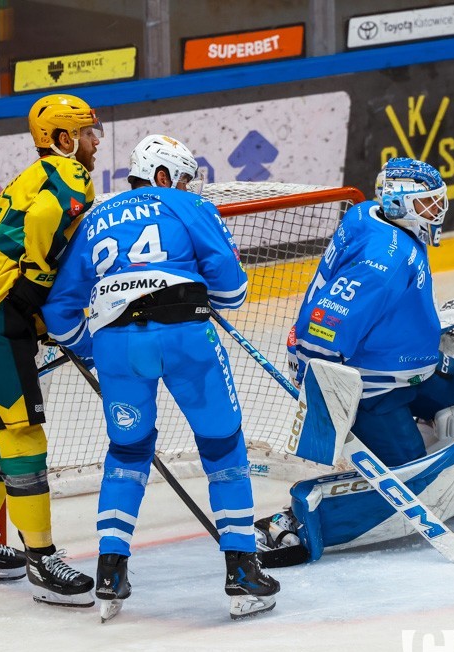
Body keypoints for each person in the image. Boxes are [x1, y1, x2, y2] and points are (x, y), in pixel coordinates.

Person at [41, 134, 279, 620]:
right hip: (186, 337)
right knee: (222, 445)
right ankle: (242, 571)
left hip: (116, 346)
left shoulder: (95, 218)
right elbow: (233, 290)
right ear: (164, 175)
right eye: (184, 178)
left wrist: (92, 350)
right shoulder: (188, 205)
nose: (188, 187)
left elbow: (60, 311)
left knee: (127, 451)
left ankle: (110, 574)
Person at [258, 157, 454, 566]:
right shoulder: (384, 260)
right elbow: (325, 326)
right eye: (426, 204)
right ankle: (299, 521)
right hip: (375, 388)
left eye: (436, 203)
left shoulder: (369, 214)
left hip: (413, 367)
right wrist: (323, 388)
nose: (436, 213)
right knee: (413, 479)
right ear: (399, 203)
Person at [0, 93, 101, 607]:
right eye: (87, 133)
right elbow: (46, 218)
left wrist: (30, 304)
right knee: (23, 431)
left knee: (1, 433)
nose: (95, 141)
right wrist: (34, 288)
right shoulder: (69, 172)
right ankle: (42, 558)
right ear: (64, 139)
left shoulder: (36, 173)